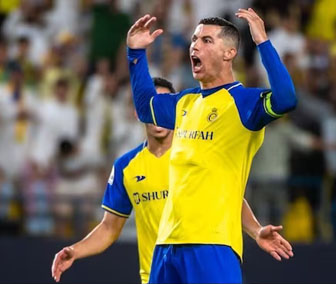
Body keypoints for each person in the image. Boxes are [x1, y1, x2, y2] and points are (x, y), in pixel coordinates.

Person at [51, 78, 293, 283]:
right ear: (140, 110)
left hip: (199, 268)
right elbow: (109, 227)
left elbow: (229, 196)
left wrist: (256, 230)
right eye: (155, 106)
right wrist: (75, 250)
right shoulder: (126, 166)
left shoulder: (196, 152)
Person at [127, 8, 296, 283]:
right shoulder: (185, 102)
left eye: (207, 40)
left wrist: (262, 42)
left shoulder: (244, 103)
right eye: (194, 39)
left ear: (229, 53)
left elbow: (286, 99)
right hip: (167, 243)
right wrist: (135, 53)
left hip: (212, 243)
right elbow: (146, 108)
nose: (195, 45)